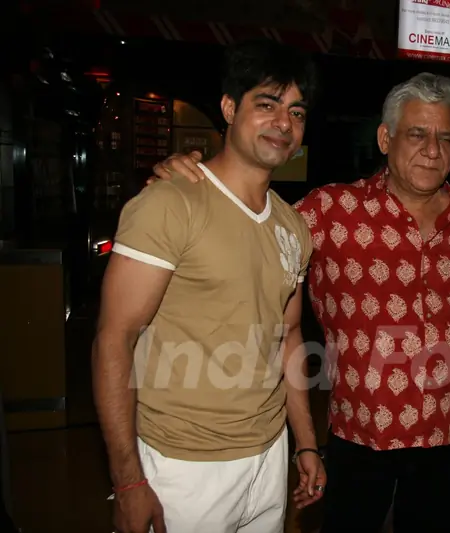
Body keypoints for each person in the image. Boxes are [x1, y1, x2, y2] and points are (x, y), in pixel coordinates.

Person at [151, 72, 450, 533]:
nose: (433, 150)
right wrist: (191, 178)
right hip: (360, 436)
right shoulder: (332, 211)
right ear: (384, 137)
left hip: (449, 435)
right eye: (417, 134)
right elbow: (250, 223)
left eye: (445, 138)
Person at [92, 40, 326, 533]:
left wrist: (304, 442)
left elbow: (287, 337)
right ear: (227, 108)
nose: (284, 124)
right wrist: (129, 480)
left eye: (296, 112)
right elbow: (114, 339)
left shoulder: (294, 227)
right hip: (183, 465)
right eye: (266, 104)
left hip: (268, 456)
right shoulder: (170, 204)